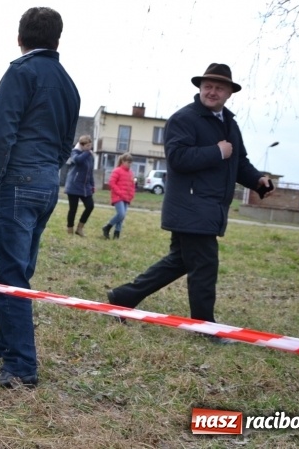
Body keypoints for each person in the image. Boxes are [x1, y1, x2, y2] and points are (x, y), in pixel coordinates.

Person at [107, 63, 273, 339]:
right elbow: (178, 159)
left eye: (219, 87)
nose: (212, 91)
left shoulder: (229, 124)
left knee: (181, 261)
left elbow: (239, 161)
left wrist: (257, 180)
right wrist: (216, 152)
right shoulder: (184, 119)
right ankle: (205, 326)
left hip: (209, 207)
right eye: (208, 86)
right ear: (200, 88)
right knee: (205, 266)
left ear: (229, 93)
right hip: (191, 205)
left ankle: (124, 296)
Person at [0, 7, 80, 388]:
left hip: (15, 182)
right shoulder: (68, 84)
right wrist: (50, 169)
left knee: (7, 274)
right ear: (57, 39)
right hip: (47, 182)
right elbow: (67, 142)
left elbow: (0, 134)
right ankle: (3, 346)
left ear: (20, 37)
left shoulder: (21, 72)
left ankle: (20, 366)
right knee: (19, 271)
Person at [64, 135, 95, 236]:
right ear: (81, 145)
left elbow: (90, 172)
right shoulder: (75, 152)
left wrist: (92, 185)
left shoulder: (89, 156)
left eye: (90, 145)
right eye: (87, 145)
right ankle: (70, 230)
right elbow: (77, 160)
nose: (89, 148)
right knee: (73, 209)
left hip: (85, 187)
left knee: (90, 206)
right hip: (73, 185)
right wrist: (86, 153)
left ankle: (79, 228)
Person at [101, 152, 136, 240]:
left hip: (126, 197)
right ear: (123, 161)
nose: (130, 164)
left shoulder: (131, 173)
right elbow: (112, 183)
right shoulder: (117, 170)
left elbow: (132, 185)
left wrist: (131, 195)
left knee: (122, 217)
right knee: (121, 214)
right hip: (118, 197)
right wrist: (120, 192)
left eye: (131, 162)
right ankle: (107, 226)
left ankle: (117, 234)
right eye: (128, 162)